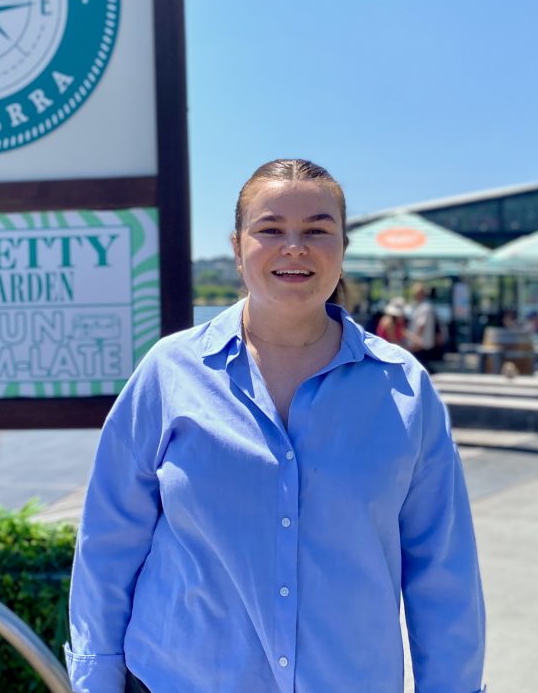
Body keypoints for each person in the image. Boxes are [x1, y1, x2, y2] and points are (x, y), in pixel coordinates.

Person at [65, 159, 485, 693]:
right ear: (238, 248)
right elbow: (108, 537)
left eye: (317, 230)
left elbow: (442, 571)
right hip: (180, 679)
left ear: (342, 250)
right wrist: (95, 679)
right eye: (270, 230)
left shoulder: (404, 389)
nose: (295, 246)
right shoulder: (170, 372)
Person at [404, 282, 443, 369]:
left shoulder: (425, 307)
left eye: (416, 293)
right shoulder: (421, 306)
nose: (414, 296)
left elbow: (421, 325)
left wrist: (414, 341)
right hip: (420, 344)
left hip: (420, 344)